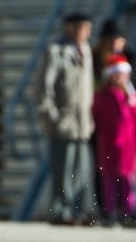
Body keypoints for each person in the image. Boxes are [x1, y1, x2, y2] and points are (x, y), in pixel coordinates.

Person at [36, 13, 95, 226]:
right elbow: (44, 90)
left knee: (82, 170)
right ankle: (61, 211)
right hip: (63, 123)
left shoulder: (86, 51)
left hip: (83, 123)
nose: (82, 33)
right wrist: (54, 118)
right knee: (63, 169)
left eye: (86, 28)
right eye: (77, 28)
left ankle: (78, 211)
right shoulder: (56, 51)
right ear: (68, 28)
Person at [92, 54, 136, 228]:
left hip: (128, 148)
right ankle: (109, 212)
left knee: (127, 182)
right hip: (109, 146)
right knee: (109, 181)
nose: (121, 79)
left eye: (124, 75)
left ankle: (128, 212)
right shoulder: (103, 97)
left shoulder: (132, 99)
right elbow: (96, 119)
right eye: (118, 75)